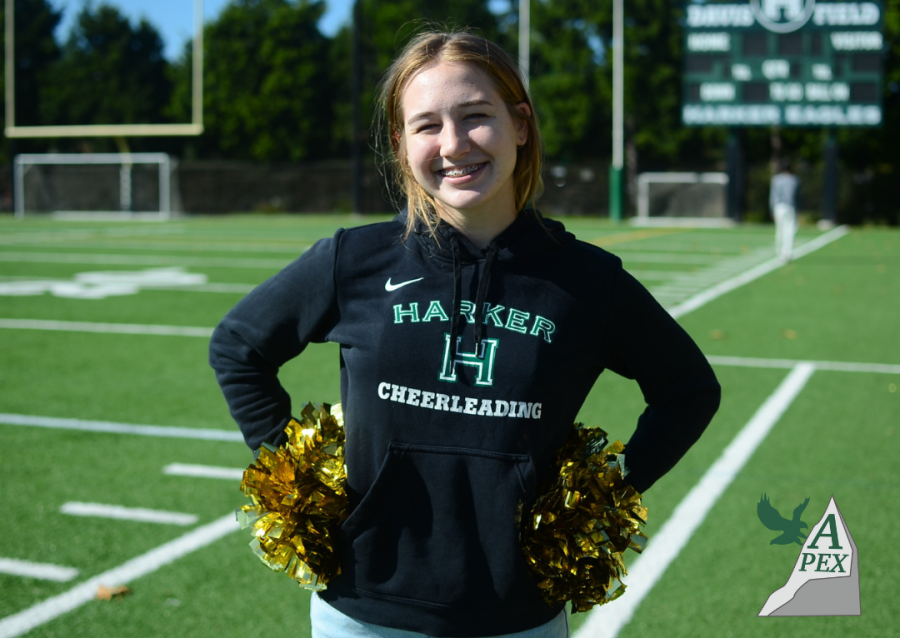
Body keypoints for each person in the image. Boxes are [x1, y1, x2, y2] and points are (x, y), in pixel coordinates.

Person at [209, 30, 720, 638]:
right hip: (364, 609)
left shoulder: (588, 281)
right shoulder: (354, 259)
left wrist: (607, 496)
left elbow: (688, 389)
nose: (453, 145)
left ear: (520, 125)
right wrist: (295, 475)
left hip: (518, 615)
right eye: (426, 125)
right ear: (401, 145)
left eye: (476, 116)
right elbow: (239, 346)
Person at [770, 161, 800, 261]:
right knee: (789, 230)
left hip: (778, 207)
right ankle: (787, 252)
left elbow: (773, 196)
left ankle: (778, 250)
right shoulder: (794, 180)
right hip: (790, 207)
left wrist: (772, 209)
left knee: (779, 229)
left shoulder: (776, 179)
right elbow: (797, 196)